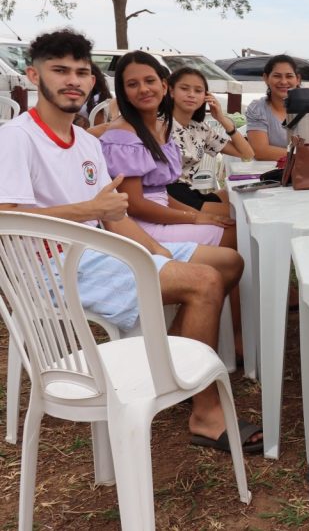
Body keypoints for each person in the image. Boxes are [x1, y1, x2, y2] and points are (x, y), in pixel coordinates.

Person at [0, 30, 261, 453]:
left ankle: (170, 366)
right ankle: (205, 415)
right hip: (50, 268)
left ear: (92, 81)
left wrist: (155, 254)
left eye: (82, 72)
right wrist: (87, 213)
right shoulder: (16, 137)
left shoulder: (86, 142)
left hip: (97, 250)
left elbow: (115, 214)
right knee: (204, 282)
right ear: (33, 75)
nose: (73, 81)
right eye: (60, 70)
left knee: (226, 263)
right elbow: (6, 217)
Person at [99, 51, 234, 248]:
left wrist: (198, 215)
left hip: (161, 212)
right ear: (123, 93)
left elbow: (162, 194)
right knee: (233, 234)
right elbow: (135, 205)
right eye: (132, 84)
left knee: (228, 226)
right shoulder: (123, 136)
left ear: (163, 86)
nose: (143, 89)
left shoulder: (161, 127)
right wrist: (193, 218)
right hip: (140, 227)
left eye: (149, 81)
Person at [167, 66, 254, 213]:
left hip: (188, 191)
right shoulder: (160, 124)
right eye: (184, 88)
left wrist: (221, 118)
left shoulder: (200, 128)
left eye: (198, 91)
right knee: (238, 215)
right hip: (169, 194)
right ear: (171, 91)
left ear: (206, 96)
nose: (191, 94)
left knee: (242, 198)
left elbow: (247, 153)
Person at [245, 54, 300, 161]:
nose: (284, 82)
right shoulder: (258, 108)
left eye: (289, 76)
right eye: (277, 76)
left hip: (308, 172)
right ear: (266, 78)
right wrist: (307, 156)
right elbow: (260, 151)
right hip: (270, 173)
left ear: (297, 79)